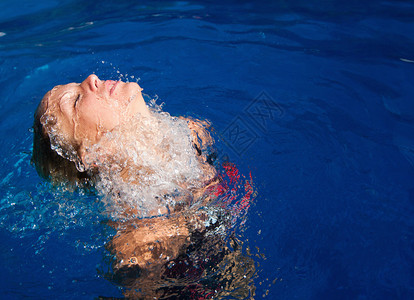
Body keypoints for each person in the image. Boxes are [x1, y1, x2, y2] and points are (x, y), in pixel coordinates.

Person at [32, 74, 256, 299]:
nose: (91, 78)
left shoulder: (192, 133)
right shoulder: (138, 242)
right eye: (75, 101)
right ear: (92, 153)